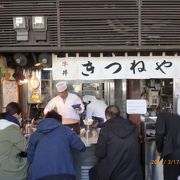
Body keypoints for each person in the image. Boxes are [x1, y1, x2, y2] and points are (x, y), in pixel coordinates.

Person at [27, 110, 86, 180]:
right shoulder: (66, 130)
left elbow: (30, 157)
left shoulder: (35, 135)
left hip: (39, 176)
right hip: (64, 175)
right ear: (59, 122)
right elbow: (81, 147)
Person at [89, 105, 143, 180]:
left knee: (92, 172)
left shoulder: (105, 129)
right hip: (133, 172)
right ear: (119, 114)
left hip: (112, 173)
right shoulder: (133, 127)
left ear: (107, 116)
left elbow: (99, 153)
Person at [0, 102, 28, 180]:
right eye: (20, 115)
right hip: (6, 171)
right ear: (16, 115)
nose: (21, 118)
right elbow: (26, 147)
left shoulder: (2, 123)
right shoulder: (10, 127)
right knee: (30, 161)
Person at [156, 112, 180, 180]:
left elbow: (160, 133)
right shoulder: (176, 116)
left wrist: (159, 149)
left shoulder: (161, 116)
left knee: (170, 176)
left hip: (172, 154)